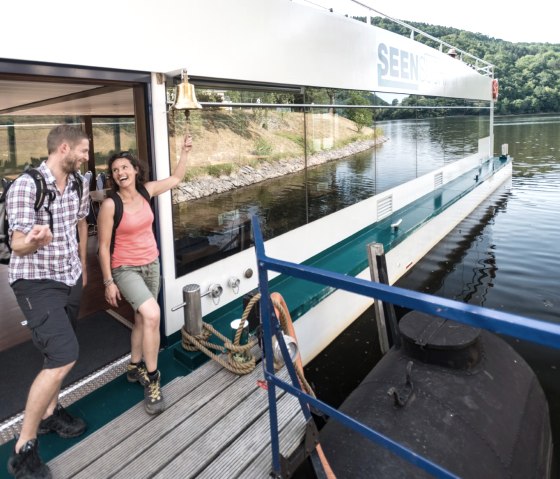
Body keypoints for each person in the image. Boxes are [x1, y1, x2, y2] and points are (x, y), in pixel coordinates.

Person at [6, 124, 91, 479]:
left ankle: (49, 414)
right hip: (36, 283)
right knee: (63, 355)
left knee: (55, 353)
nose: (88, 157)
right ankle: (23, 450)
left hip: (69, 277)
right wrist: (35, 239)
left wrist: (83, 267)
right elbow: (16, 244)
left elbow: (80, 223)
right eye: (84, 151)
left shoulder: (78, 183)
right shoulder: (27, 185)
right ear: (65, 149)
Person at [97, 134, 193, 415]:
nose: (120, 173)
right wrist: (108, 282)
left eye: (125, 167)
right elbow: (103, 248)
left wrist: (184, 151)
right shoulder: (110, 205)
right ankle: (153, 380)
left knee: (141, 318)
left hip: (152, 264)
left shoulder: (146, 191)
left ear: (136, 170)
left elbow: (176, 178)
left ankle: (134, 366)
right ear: (113, 177)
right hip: (125, 269)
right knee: (152, 315)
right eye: (115, 170)